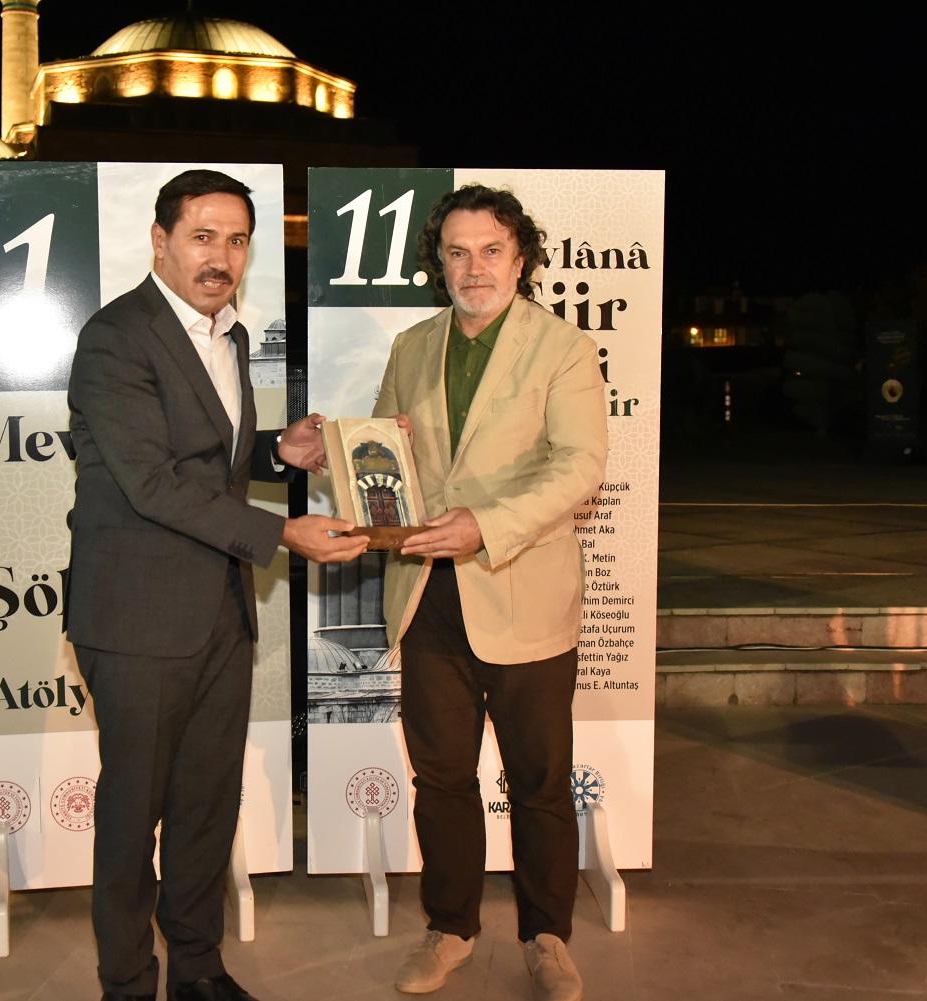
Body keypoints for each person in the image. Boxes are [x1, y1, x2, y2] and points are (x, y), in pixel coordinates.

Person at [67, 168, 367, 1001]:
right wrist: (282, 533)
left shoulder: (227, 337)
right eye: (203, 236)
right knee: (133, 813)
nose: (221, 257)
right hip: (136, 618)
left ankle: (198, 967)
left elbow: (207, 456)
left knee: (206, 805)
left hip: (221, 612)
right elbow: (152, 482)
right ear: (160, 240)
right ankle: (127, 980)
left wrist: (278, 452)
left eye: (237, 241)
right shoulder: (116, 336)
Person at [373, 185, 607, 1001]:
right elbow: (384, 453)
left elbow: (580, 466)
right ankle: (450, 928)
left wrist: (487, 525)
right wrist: (368, 461)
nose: (474, 268)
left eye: (492, 250)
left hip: (524, 591)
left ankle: (548, 935)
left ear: (522, 258)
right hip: (427, 595)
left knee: (540, 779)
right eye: (458, 251)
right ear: (438, 262)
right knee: (440, 777)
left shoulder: (564, 348)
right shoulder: (412, 346)